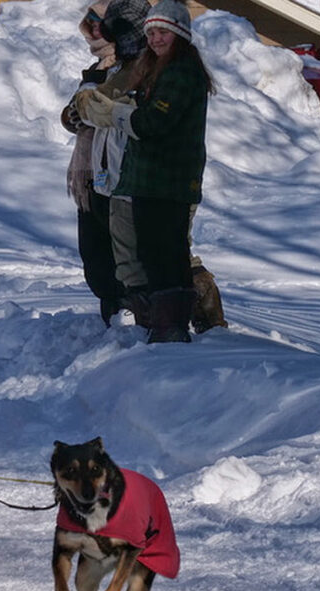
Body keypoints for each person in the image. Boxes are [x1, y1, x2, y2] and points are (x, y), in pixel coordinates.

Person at [83, 0, 213, 342]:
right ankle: (158, 323)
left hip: (166, 178)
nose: (154, 39)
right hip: (140, 178)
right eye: (151, 33)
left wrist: (117, 114)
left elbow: (154, 120)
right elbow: (80, 112)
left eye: (162, 33)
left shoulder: (181, 70)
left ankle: (173, 326)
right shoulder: (151, 67)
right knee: (146, 255)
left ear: (180, 35)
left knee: (166, 254)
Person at [63, 0, 147, 326]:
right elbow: (74, 113)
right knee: (95, 255)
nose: (92, 35)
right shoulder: (97, 70)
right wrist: (76, 112)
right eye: (89, 28)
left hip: (117, 172)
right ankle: (112, 311)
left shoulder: (132, 66)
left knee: (123, 253)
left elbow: (108, 112)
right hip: (91, 172)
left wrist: (87, 107)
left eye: (97, 28)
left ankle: (130, 314)